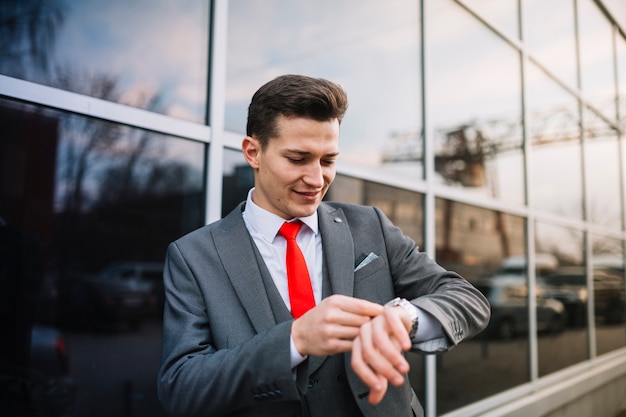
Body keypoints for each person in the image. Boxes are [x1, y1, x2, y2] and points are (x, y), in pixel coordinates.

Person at [157, 74, 490, 417]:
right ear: (253, 152)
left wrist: (404, 317)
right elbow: (180, 387)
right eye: (298, 159)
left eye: (328, 160)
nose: (317, 180)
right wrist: (295, 340)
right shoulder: (194, 256)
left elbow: (467, 300)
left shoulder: (371, 225)